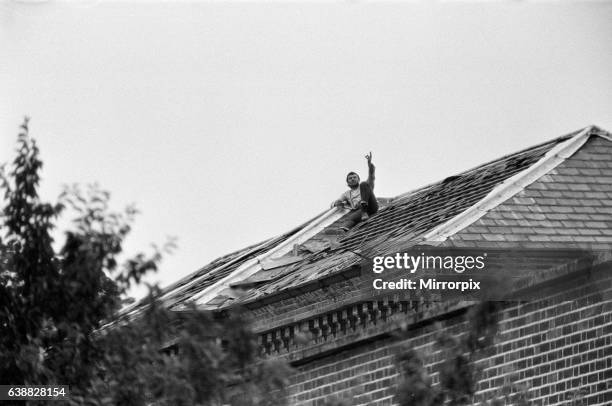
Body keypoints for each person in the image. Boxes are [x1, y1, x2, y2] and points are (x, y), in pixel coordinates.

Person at [332, 152, 379, 229]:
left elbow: (372, 175)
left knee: (364, 184)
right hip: (360, 211)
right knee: (350, 219)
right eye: (350, 178)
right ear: (347, 182)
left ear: (358, 179)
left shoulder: (365, 185)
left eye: (354, 177)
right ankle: (345, 231)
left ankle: (364, 207)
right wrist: (337, 203)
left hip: (371, 206)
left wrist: (369, 164)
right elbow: (338, 201)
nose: (353, 179)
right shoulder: (346, 194)